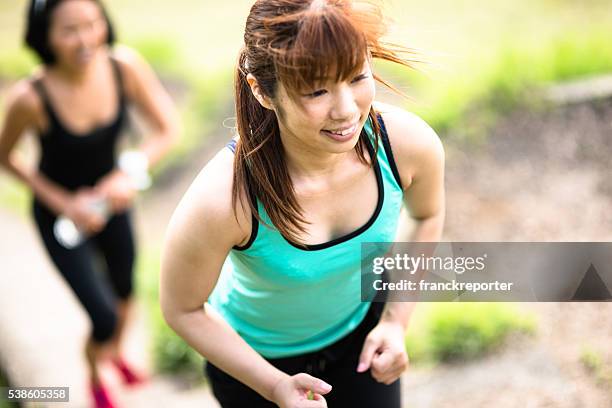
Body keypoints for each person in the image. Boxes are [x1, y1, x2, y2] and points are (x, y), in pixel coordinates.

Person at [160, 0, 444, 407]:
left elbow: (427, 214)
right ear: (263, 91)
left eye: (356, 76)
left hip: (360, 341)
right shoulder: (224, 199)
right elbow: (181, 309)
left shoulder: (406, 146)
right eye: (316, 90)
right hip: (255, 365)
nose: (346, 109)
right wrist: (275, 386)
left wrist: (395, 322)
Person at [0, 1, 179, 407]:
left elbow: (167, 129)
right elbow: (5, 156)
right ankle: (94, 373)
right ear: (44, 36)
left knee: (126, 291)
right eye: (69, 30)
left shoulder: (122, 67)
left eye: (93, 24)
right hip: (59, 218)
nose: (86, 39)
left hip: (113, 204)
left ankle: (114, 354)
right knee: (102, 315)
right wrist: (63, 202)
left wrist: (126, 174)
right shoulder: (31, 96)